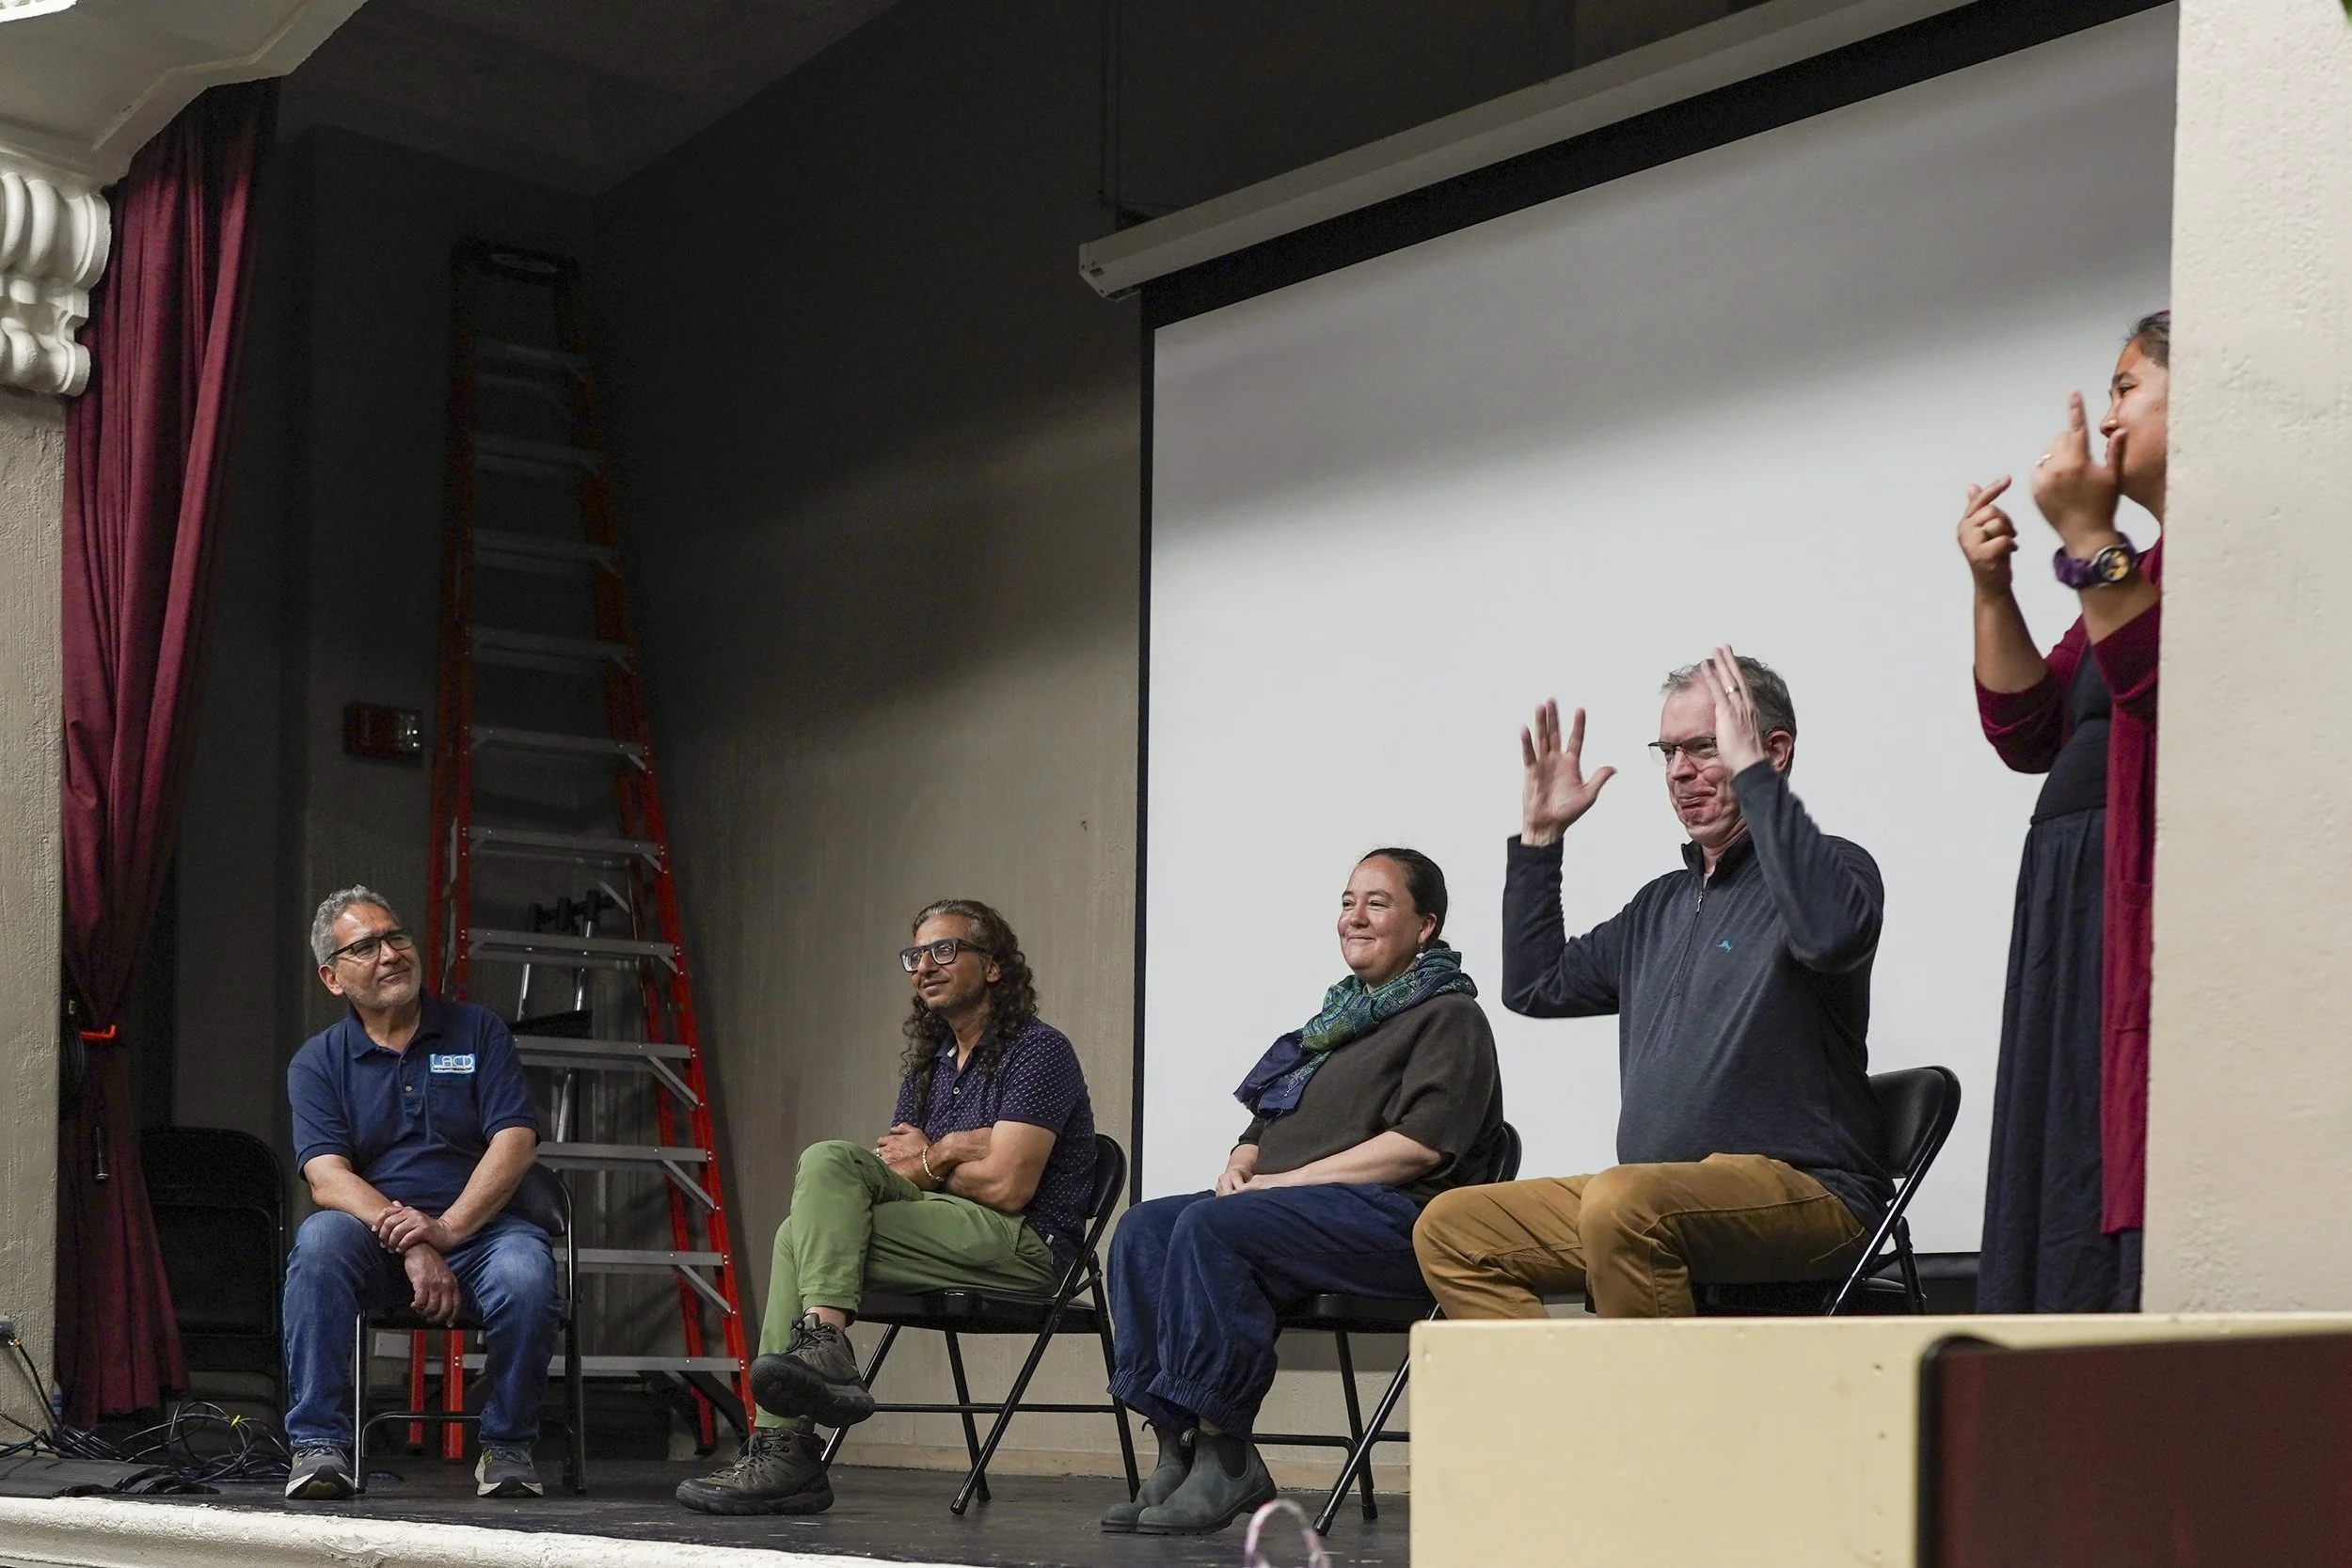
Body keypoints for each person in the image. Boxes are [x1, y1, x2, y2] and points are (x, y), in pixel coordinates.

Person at [1413, 650, 1889, 1320]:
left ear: (1772, 752)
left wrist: (1757, 785)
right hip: (1647, 1199)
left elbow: (1831, 936)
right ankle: (1567, 1418)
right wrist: (1541, 839)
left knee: (1623, 1202)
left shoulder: (1836, 868)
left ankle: (1651, 1423)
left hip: (1810, 1193)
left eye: (1705, 747)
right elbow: (1535, 984)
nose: (1679, 771)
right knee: (1453, 1228)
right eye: (1667, 752)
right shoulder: (1659, 905)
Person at [1104, 849, 1504, 1537]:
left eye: (1377, 902)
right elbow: (1266, 1117)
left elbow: (1419, 1146)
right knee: (1144, 1228)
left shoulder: (1448, 1017)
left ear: (1425, 925)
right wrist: (1242, 1158)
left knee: (1212, 1227)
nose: (1355, 915)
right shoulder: (1338, 1022)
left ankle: (1225, 1450)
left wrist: (1279, 1183)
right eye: (1348, 900)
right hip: (1301, 1215)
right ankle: (1179, 1444)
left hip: (1398, 1224)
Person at [675, 898, 1096, 1517]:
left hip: (1026, 1246)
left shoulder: (1038, 1051)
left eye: (944, 949)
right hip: (944, 1231)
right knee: (821, 1179)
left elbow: (1008, 1187)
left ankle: (793, 1435)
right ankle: (805, 1395)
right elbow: (889, 1173)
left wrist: (936, 1154)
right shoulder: (928, 1067)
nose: (924, 965)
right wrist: (951, 1151)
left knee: (804, 1233)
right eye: (915, 955)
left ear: (995, 967)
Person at [1959, 311, 2168, 1312]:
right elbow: (2025, 729)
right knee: (2059, 1154)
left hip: (2135, 898)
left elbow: (2160, 674)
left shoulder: (2190, 563)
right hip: (2068, 897)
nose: (2109, 412)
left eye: (2128, 386)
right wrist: (1992, 584)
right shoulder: (2141, 566)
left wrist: (2090, 536)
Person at [280, 887, 557, 1501]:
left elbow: (515, 1141)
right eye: (365, 946)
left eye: (396, 937)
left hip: (480, 1232)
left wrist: (449, 1230)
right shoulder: (318, 1062)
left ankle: (508, 1444)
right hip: (372, 1243)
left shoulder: (477, 1031)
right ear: (332, 976)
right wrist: (411, 1240)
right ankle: (320, 1443)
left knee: (528, 1272)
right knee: (318, 1242)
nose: (390, 953)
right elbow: (326, 1176)